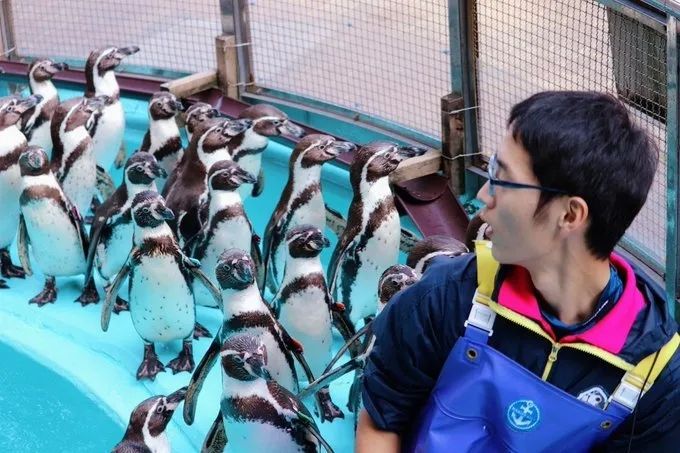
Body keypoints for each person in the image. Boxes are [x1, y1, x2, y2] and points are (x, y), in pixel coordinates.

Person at [356, 91, 680, 452]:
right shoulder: (447, 294)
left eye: (501, 178)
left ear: (570, 215)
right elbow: (381, 420)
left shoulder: (653, 371)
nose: (482, 195)